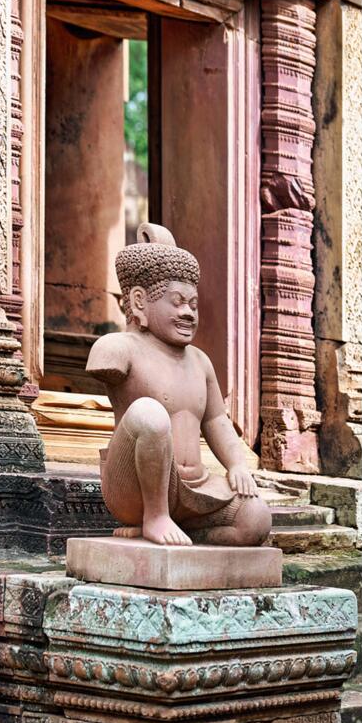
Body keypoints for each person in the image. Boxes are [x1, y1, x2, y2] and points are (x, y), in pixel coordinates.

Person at [86, 223, 271, 547]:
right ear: (140, 302)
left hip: (195, 489)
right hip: (133, 491)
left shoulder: (199, 362)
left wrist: (237, 464)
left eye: (193, 304)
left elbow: (216, 421)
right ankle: (154, 517)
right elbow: (142, 416)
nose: (188, 313)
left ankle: (189, 534)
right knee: (148, 413)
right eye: (177, 302)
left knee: (256, 519)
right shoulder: (119, 348)